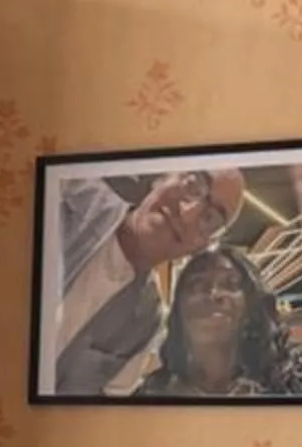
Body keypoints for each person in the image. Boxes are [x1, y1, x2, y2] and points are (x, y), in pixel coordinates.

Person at [51, 164, 245, 395]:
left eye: (210, 218)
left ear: (201, 246)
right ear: (162, 177)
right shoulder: (64, 195)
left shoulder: (146, 321)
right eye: (193, 185)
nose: (187, 213)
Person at [135, 247, 301, 398]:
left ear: (252, 306)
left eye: (231, 284)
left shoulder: (297, 371)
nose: (213, 294)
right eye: (197, 285)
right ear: (178, 310)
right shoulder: (153, 392)